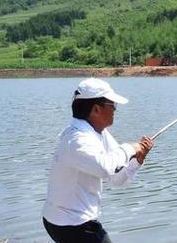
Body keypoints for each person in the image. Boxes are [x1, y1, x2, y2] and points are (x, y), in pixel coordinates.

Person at [42, 78, 154, 243]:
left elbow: (115, 178)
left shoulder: (98, 133)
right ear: (96, 109)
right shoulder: (77, 140)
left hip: (69, 220)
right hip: (69, 224)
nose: (115, 110)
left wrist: (136, 161)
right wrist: (130, 148)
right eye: (112, 105)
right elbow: (106, 168)